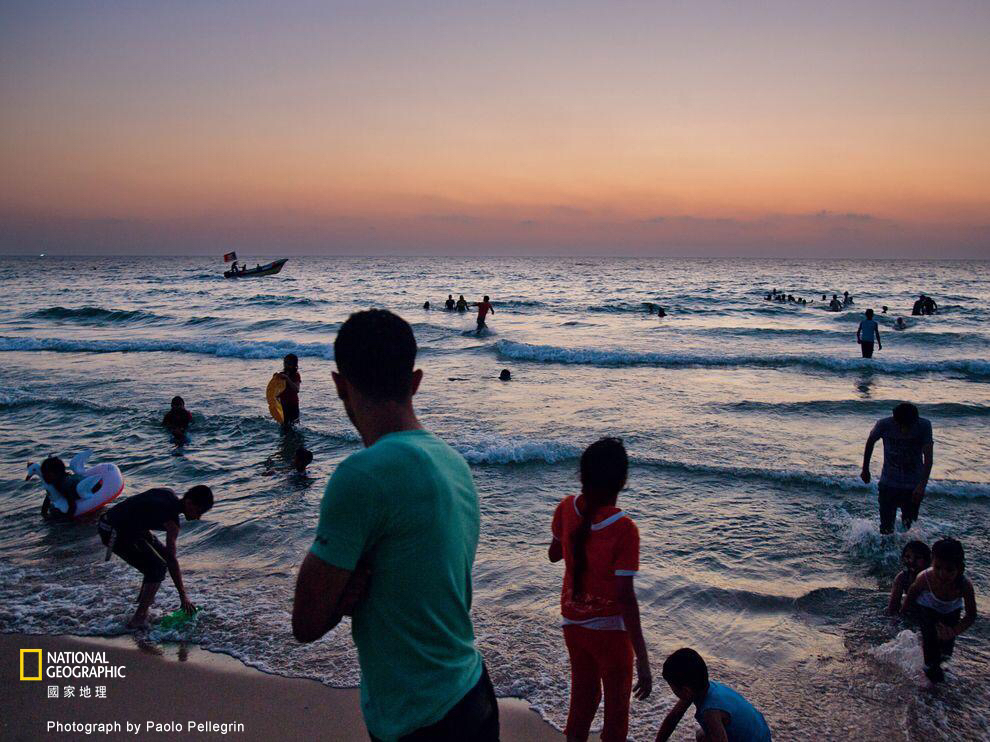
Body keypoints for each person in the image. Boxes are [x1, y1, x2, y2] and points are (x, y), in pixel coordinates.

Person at [292, 309, 496, 741]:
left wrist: (344, 595)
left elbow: (306, 622)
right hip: (471, 692)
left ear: (339, 386)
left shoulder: (362, 476)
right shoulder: (454, 462)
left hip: (418, 717)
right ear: (416, 381)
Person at [548, 438, 652, 742]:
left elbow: (554, 554)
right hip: (610, 632)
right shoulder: (624, 529)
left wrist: (576, 543)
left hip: (572, 622)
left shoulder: (566, 508)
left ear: (582, 476)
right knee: (616, 715)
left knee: (583, 701)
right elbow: (625, 597)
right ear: (622, 480)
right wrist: (643, 659)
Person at [97, 485, 213, 629]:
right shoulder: (172, 524)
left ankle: (142, 605)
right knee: (157, 568)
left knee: (157, 562)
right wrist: (183, 596)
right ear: (189, 503)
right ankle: (138, 618)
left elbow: (141, 507)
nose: (198, 517)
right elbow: (171, 560)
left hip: (115, 524)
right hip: (112, 532)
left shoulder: (168, 492)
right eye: (198, 511)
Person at [655, 648, 771, 741]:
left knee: (702, 736)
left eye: (672, 687)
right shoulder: (707, 688)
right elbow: (673, 718)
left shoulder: (711, 712)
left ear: (685, 691)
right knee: (702, 736)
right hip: (763, 735)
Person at [903, 538, 977, 683]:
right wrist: (904, 612)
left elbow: (971, 615)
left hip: (951, 612)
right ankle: (929, 683)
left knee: (945, 653)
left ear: (960, 569)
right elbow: (912, 592)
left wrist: (954, 631)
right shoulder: (925, 577)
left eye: (949, 570)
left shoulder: (965, 586)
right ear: (932, 563)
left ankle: (938, 674)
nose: (942, 574)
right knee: (930, 646)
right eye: (937, 567)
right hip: (927, 608)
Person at [861, 402, 934, 534]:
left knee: (908, 526)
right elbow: (870, 441)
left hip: (913, 485)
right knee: (886, 528)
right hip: (888, 483)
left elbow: (928, 459)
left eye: (908, 426)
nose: (904, 430)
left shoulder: (924, 426)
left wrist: (922, 486)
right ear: (895, 420)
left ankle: (905, 552)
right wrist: (865, 469)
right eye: (901, 425)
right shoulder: (884, 425)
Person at [886, 540, 931, 615]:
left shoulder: (932, 577)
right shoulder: (902, 578)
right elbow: (893, 607)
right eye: (907, 556)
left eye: (918, 557)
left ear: (927, 560)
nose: (912, 561)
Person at [277, 354, 301, 426]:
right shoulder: (281, 375)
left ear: (295, 365)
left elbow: (296, 389)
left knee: (294, 425)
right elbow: (276, 390)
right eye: (285, 363)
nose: (286, 365)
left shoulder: (296, 375)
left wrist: (287, 379)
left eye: (289, 363)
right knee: (284, 425)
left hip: (293, 404)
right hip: (283, 404)